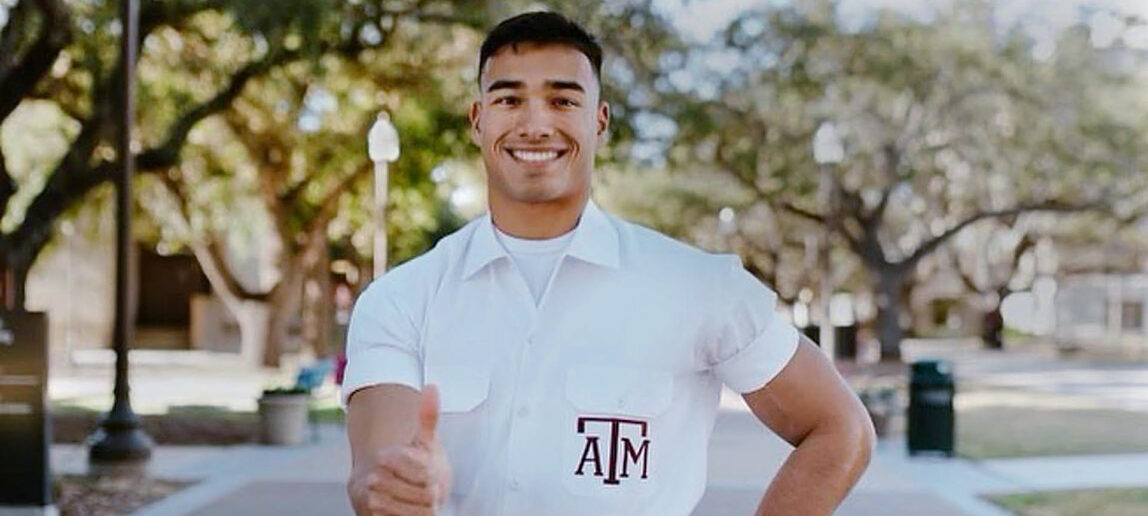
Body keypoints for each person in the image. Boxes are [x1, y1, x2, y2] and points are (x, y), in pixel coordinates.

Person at [343, 11, 875, 516]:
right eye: (509, 100)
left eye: (562, 101)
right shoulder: (401, 299)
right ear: (477, 121)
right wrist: (399, 485)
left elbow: (840, 426)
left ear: (599, 123)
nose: (535, 124)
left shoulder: (696, 286)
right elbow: (376, 469)